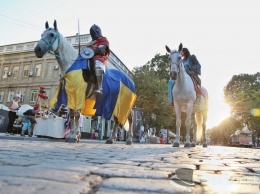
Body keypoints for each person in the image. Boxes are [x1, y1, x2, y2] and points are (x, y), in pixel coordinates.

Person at [87, 24, 110, 96]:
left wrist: (94, 51)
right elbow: (86, 51)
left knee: (97, 63)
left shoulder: (103, 39)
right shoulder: (90, 43)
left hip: (99, 57)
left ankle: (99, 87)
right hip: (89, 59)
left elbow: (102, 48)